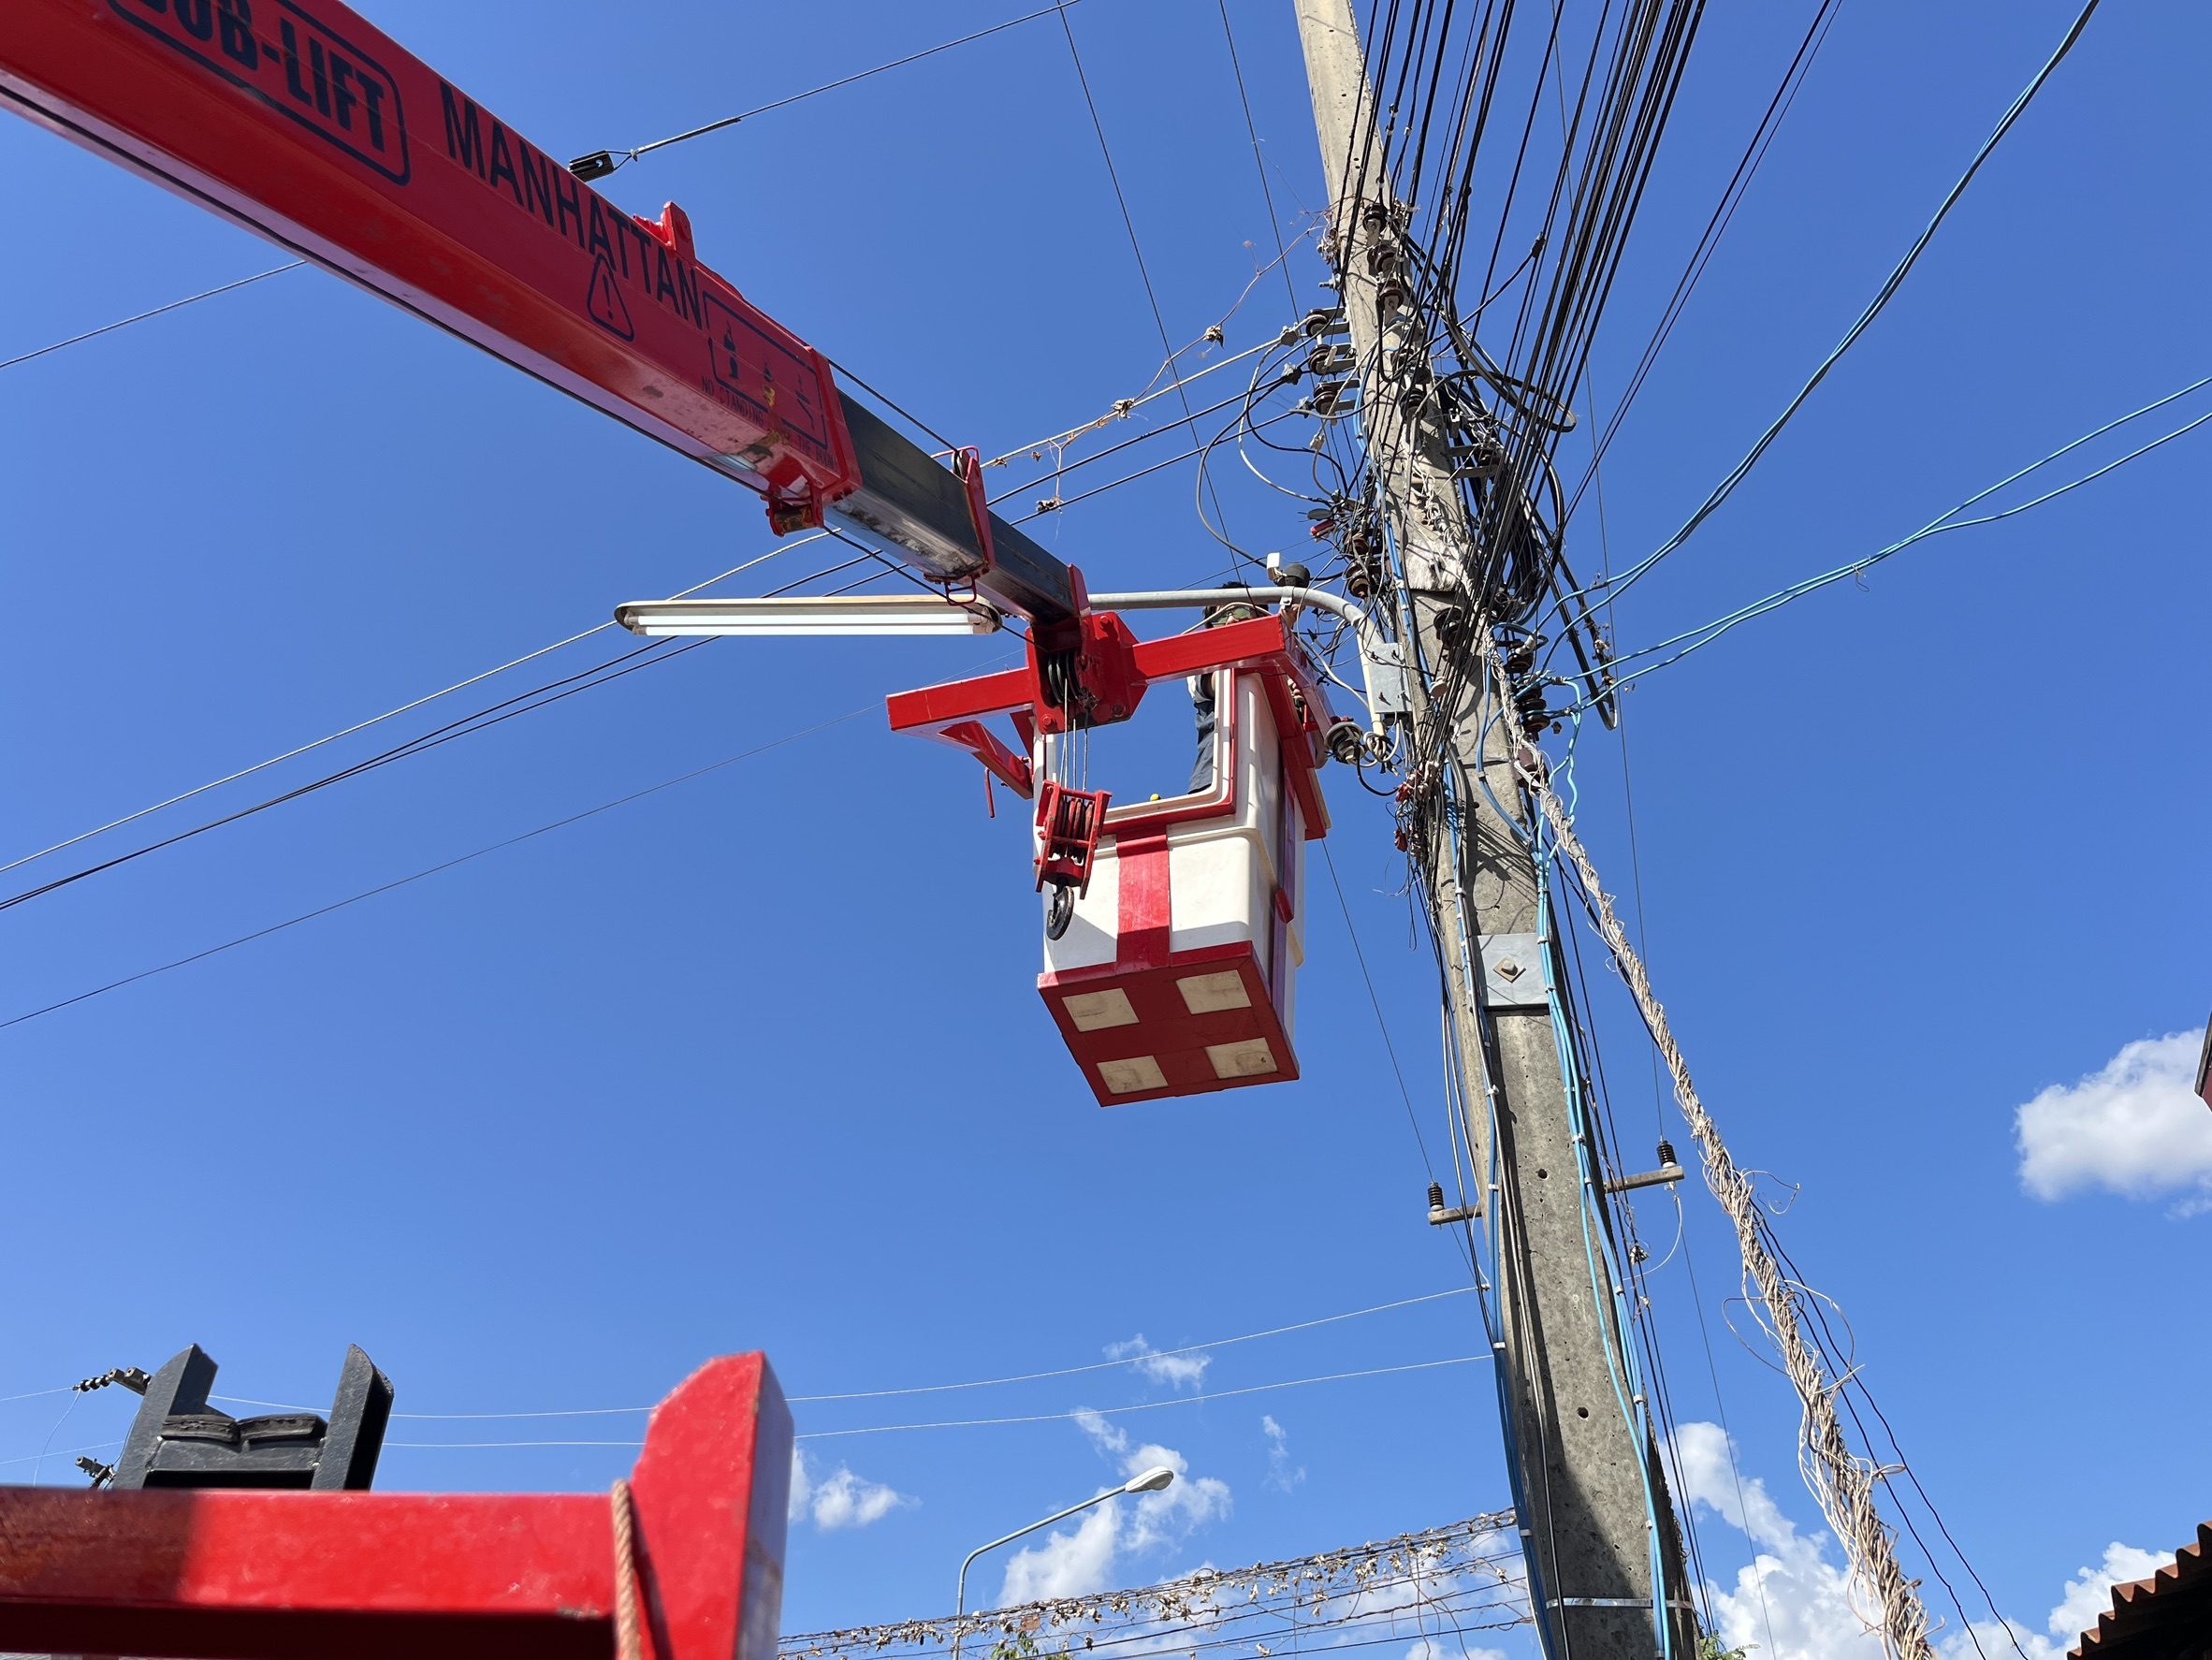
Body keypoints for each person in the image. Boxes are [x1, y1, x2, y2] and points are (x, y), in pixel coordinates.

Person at [1187, 600, 1264, 794]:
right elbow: (1218, 683)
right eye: (1220, 617)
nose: (1231, 620)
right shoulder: (1203, 662)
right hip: (1215, 779)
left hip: (1272, 787)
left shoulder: (1284, 670)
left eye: (1239, 611)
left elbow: (1317, 756)